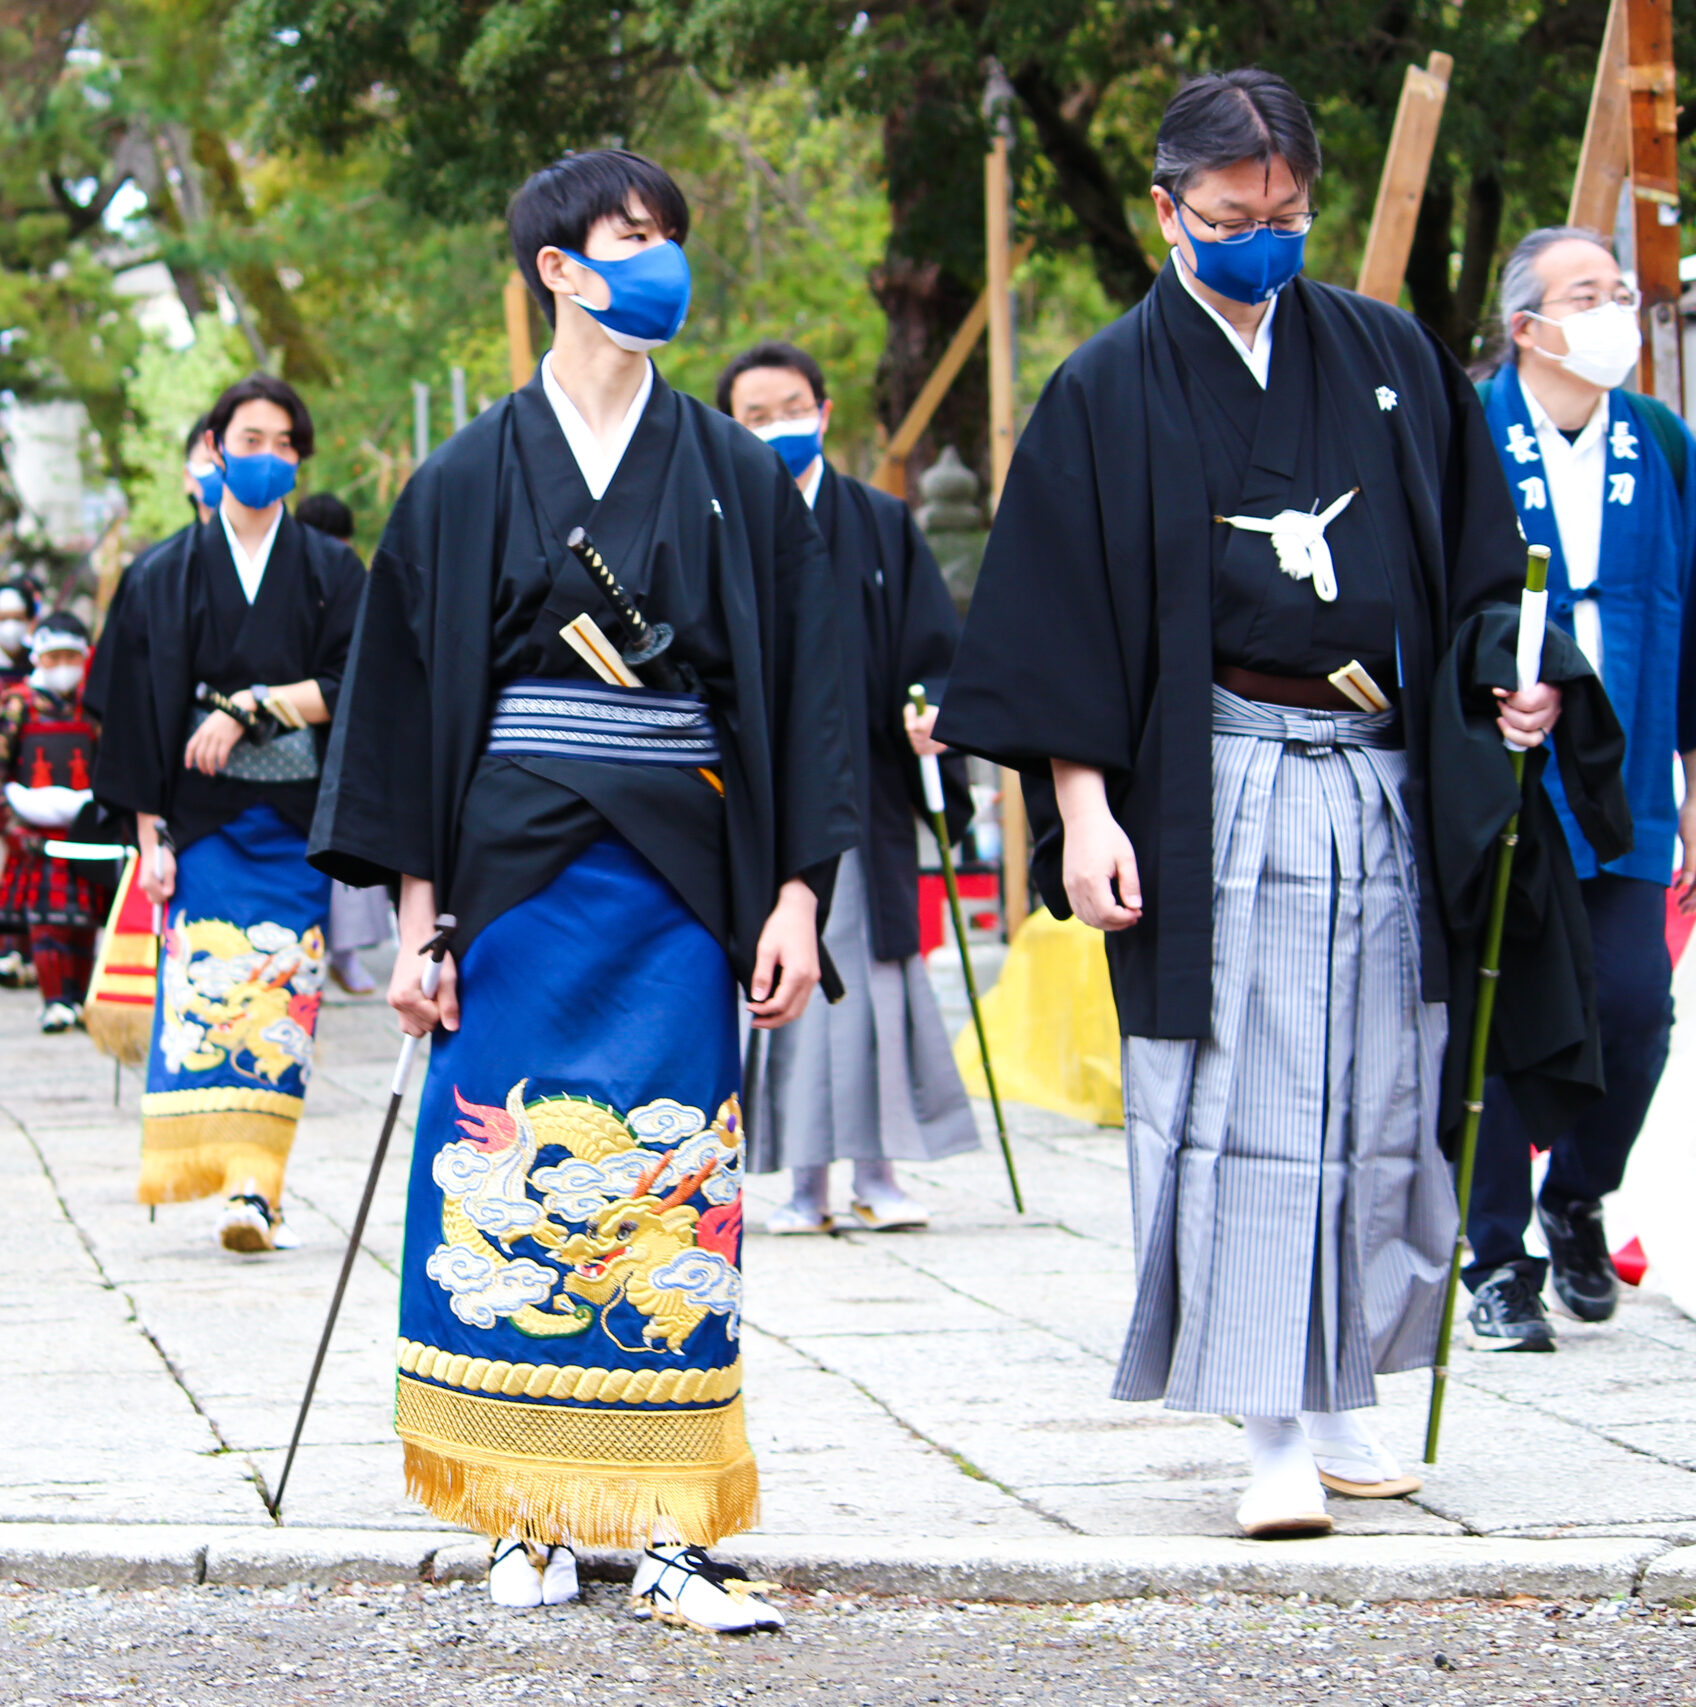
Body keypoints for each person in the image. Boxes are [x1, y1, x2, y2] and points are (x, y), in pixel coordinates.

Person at [937, 70, 1568, 1540]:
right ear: (1170, 210)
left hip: (1383, 776)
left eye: (1289, 216)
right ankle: (1272, 1424)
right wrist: (1085, 813)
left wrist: (1508, 683)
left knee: (1382, 1085)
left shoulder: (1386, 354)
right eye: (1234, 217)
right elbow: (1058, 624)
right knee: (1243, 1100)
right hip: (1217, 778)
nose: (1265, 240)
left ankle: (1349, 1387)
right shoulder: (1106, 387)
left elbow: (1482, 568)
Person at [312, 150, 853, 1631]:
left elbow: (810, 694)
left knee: (682, 1180)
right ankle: (527, 1510)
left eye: (672, 237)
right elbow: (412, 707)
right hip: (509, 876)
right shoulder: (466, 476)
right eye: (632, 238)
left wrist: (796, 894)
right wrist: (422, 918)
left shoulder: (738, 475)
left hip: (686, 873)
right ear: (557, 264)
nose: (661, 260)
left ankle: (672, 1524)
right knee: (493, 1171)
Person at [1464, 227, 1696, 1350]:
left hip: (1633, 775)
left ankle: (1577, 1194)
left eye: (1619, 291)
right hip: (1506, 774)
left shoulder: (1658, 441)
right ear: (1525, 327)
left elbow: (1692, 620)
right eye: (1586, 294)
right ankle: (1496, 1253)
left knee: (1630, 1007)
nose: (1614, 311)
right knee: (1504, 1006)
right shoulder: (1469, 432)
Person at [92, 372, 366, 1254]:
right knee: (209, 1000)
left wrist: (257, 705)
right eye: (250, 440)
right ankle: (224, 1170)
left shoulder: (331, 569)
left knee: (284, 997)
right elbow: (130, 709)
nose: (268, 457)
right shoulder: (162, 574)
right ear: (214, 449)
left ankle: (258, 1186)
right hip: (201, 823)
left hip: (296, 825)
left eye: (285, 443)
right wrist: (149, 835)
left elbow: (363, 684)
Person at [720, 341, 979, 1234]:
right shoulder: (721, 524)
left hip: (865, 789)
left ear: (825, 411)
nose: (775, 426)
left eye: (789, 406)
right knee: (778, 982)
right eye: (753, 416)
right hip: (758, 796)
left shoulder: (878, 520)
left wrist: (932, 712)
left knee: (872, 982)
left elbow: (935, 654)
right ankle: (801, 1183)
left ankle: (879, 1172)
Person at [0, 613, 112, 1032]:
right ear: (40, 658)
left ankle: (82, 1000)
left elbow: (113, 763)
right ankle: (54, 1000)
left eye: (73, 656)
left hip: (88, 832)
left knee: (84, 923)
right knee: (47, 921)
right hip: (35, 834)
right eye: (56, 657)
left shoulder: (94, 705)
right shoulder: (18, 703)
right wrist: (10, 825)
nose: (64, 665)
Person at [292, 491, 394, 996]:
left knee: (345, 841)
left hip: (344, 725)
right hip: (295, 728)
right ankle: (315, 953)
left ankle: (345, 952)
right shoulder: (291, 577)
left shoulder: (353, 577)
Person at [0, 578, 42, 986]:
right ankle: (5, 948)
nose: (12, 626)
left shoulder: (45, 663)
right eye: (4, 618)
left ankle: (36, 950)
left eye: (20, 618)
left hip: (39, 778)